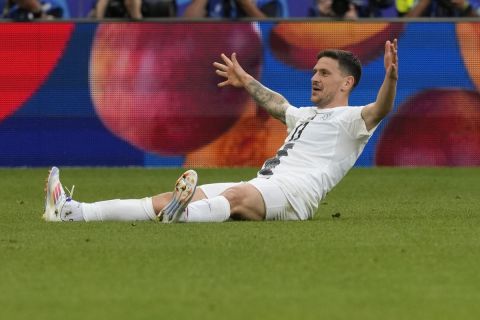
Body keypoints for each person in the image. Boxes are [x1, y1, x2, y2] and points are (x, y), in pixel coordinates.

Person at [43, 39, 399, 223]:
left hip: (296, 194)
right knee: (167, 198)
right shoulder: (304, 114)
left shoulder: (354, 120)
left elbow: (381, 108)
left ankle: (183, 219)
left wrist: (392, 78)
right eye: (315, 71)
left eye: (324, 73)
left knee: (237, 198)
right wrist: (245, 81)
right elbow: (277, 103)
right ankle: (76, 212)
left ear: (346, 82)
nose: (315, 78)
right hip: (264, 183)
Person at [183, 0, 286, 18]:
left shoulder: (268, 2)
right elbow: (188, 22)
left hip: (253, 51)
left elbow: (269, 29)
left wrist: (246, 4)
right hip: (215, 48)